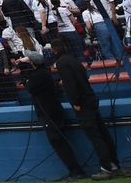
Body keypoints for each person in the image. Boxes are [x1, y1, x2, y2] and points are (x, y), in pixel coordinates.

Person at [51, 38, 120, 179]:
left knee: (95, 136)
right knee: (102, 132)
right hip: (90, 98)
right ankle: (113, 162)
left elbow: (70, 84)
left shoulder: (62, 63)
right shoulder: (73, 59)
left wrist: (75, 101)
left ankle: (106, 167)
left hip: (82, 103)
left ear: (54, 49)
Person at [19, 51, 87, 180]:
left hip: (48, 113)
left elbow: (30, 88)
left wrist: (27, 81)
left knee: (58, 142)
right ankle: (75, 170)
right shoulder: (44, 72)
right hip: (53, 110)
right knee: (60, 141)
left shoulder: (38, 75)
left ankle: (76, 171)